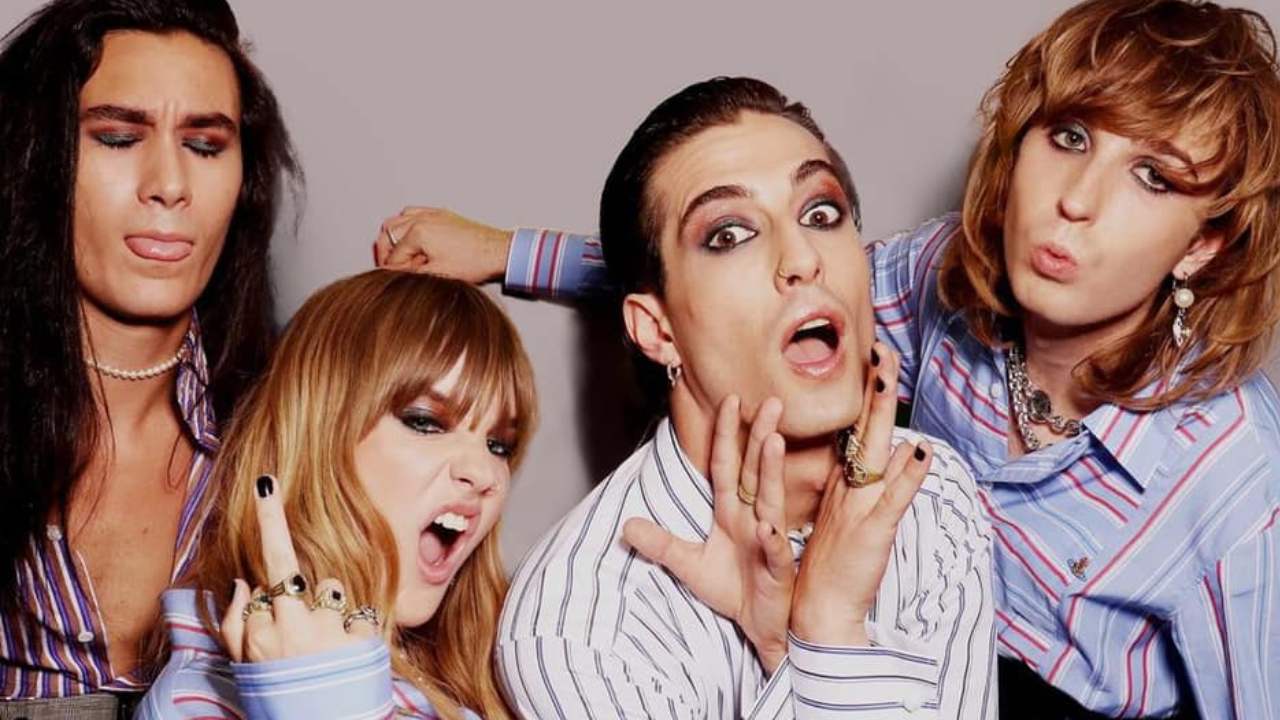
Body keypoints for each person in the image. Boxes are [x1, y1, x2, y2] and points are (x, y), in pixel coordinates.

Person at [377, 2, 1280, 716]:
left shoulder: (1232, 480)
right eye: (1070, 137)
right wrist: (507, 252)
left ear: (1203, 246)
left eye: (1154, 176)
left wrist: (809, 633)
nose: (1076, 200)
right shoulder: (941, 283)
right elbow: (706, 286)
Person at [494, 77, 995, 719]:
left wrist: (797, 636)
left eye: (821, 214)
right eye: (729, 234)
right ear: (658, 331)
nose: (802, 258)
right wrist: (822, 635)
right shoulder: (579, 637)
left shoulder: (931, 493)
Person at [0, 0, 300, 715]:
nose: (169, 183)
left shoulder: (296, 415)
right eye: (117, 137)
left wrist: (507, 257)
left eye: (205, 145)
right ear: (35, 160)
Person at [136, 269, 536, 719]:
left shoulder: (494, 665)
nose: (483, 473)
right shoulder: (201, 700)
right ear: (319, 439)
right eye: (425, 422)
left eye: (499, 445)